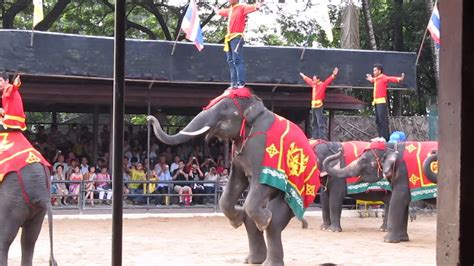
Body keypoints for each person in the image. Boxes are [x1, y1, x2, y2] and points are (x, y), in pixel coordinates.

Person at [214, 0, 264, 88]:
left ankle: (241, 82)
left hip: (236, 37)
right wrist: (216, 10)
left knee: (237, 60)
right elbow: (220, 11)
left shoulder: (242, 7)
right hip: (229, 38)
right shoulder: (230, 10)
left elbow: (254, 7)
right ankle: (233, 83)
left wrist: (258, 5)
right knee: (230, 61)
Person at [366, 64, 405, 141]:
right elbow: (373, 80)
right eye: (373, 70)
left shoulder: (383, 77)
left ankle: (384, 137)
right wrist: (371, 78)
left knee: (382, 120)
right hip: (376, 102)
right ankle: (380, 136)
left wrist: (399, 79)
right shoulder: (376, 79)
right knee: (377, 120)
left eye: (375, 70)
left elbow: (390, 78)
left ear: (379, 71)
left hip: (381, 102)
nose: (374, 72)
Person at [299, 67, 339, 140]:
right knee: (314, 122)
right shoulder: (313, 84)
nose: (313, 81)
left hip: (319, 106)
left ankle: (321, 137)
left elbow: (328, 80)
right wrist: (303, 76)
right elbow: (308, 80)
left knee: (320, 122)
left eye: (314, 79)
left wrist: (333, 74)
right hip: (313, 106)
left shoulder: (322, 85)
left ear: (318, 79)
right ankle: (314, 136)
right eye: (313, 79)